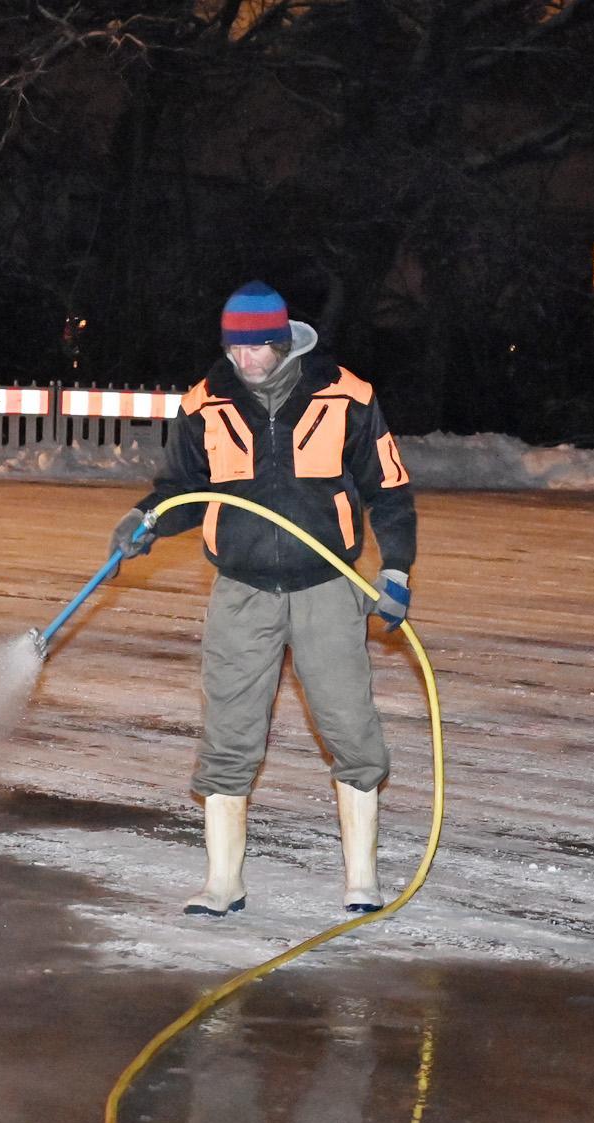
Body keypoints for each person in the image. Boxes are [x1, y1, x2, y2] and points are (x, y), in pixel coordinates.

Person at [110, 281, 416, 917]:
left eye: (255, 348)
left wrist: (396, 570)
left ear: (282, 342)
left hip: (328, 585)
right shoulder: (205, 403)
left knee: (349, 724)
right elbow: (181, 488)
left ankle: (361, 879)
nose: (243, 360)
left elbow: (388, 489)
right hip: (242, 590)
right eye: (233, 348)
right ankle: (224, 882)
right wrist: (146, 518)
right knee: (229, 728)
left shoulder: (347, 395)